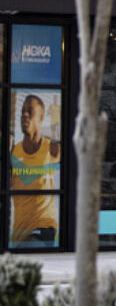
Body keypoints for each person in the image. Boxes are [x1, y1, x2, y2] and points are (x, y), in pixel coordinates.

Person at [10, 94, 61, 246]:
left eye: (30, 111)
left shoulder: (52, 148)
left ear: (41, 117)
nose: (25, 115)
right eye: (23, 111)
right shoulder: (14, 152)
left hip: (43, 226)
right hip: (19, 232)